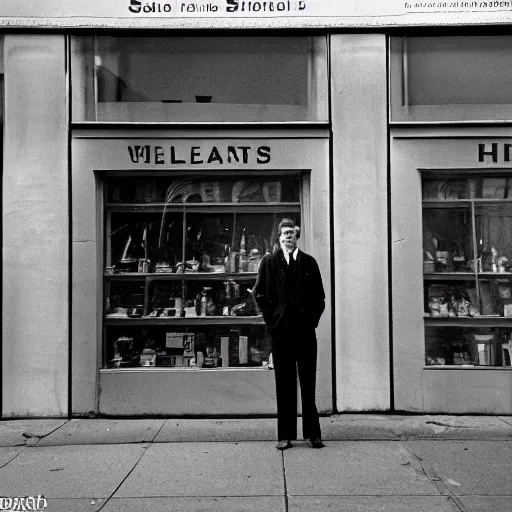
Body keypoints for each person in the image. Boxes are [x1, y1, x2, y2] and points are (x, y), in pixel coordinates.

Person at [253, 218, 325, 450]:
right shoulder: (269, 263)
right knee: (283, 385)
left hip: (305, 333)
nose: (288, 237)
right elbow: (260, 296)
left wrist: (311, 321)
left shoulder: (310, 263)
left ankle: (313, 435)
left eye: (292, 233)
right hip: (281, 333)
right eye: (284, 233)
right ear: (279, 237)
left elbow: (319, 298)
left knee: (308, 383)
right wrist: (273, 322)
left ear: (298, 236)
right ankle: (284, 436)